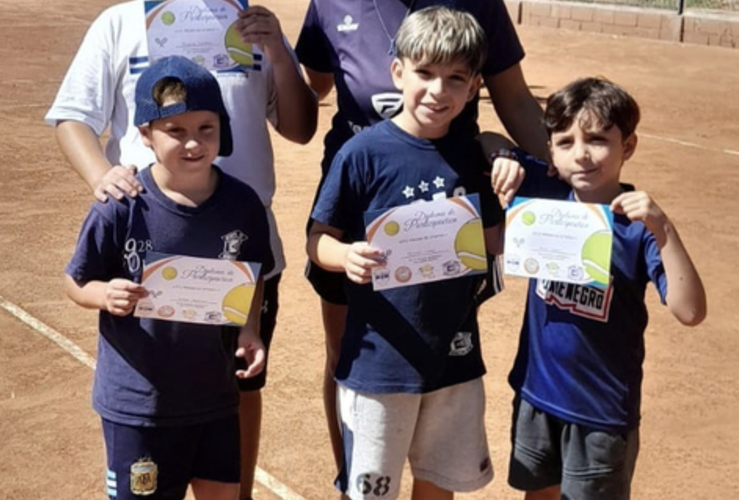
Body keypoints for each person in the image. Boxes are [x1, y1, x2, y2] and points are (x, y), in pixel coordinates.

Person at [45, 3, 317, 498]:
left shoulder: (253, 21)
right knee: (157, 380)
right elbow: (72, 115)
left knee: (237, 381)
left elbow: (300, 128)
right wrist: (101, 176)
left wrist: (276, 49)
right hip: (152, 239)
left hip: (239, 246)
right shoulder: (121, 21)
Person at [294, 0, 549, 469]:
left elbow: (514, 98)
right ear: (399, 71)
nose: (437, 89)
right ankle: (353, 481)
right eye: (424, 74)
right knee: (350, 355)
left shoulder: (479, 5)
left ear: (470, 86)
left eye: (453, 79)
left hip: (448, 205)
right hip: (355, 210)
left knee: (438, 340)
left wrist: (558, 180)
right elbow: (314, 88)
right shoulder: (332, 4)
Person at [483, 76, 708, 500]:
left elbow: (690, 311)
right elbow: (486, 137)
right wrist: (503, 158)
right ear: (550, 150)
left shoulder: (638, 227)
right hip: (537, 393)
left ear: (629, 146)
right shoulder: (545, 192)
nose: (581, 155)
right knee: (538, 493)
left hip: (600, 412)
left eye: (598, 139)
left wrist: (664, 228)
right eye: (565, 142)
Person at [64, 56, 275, 500]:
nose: (193, 144)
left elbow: (251, 274)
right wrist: (105, 294)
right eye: (175, 131)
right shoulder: (122, 205)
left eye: (206, 129)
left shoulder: (243, 205)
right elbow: (76, 281)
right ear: (145, 134)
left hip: (215, 397)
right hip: (140, 406)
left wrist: (250, 328)